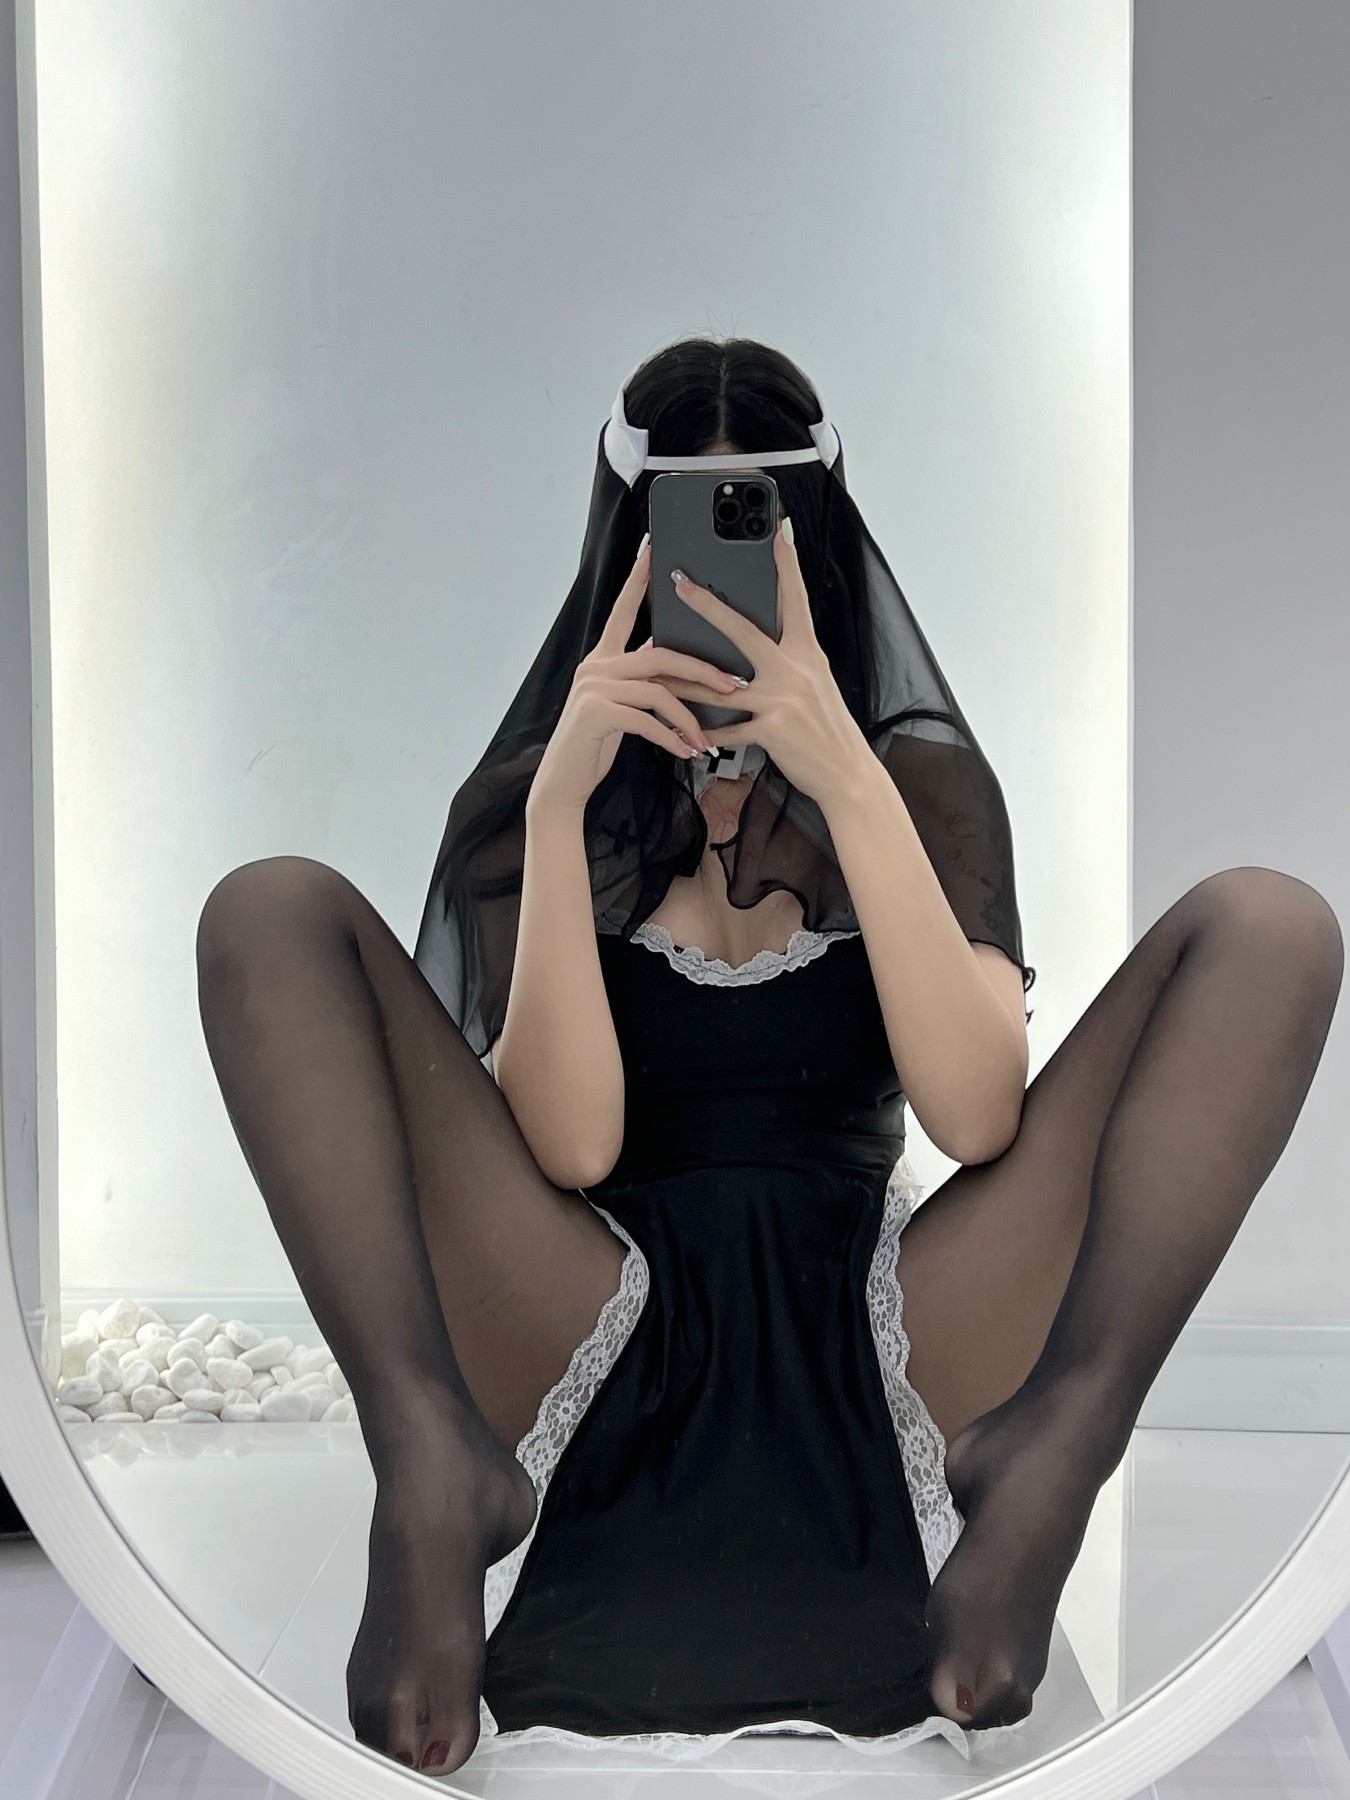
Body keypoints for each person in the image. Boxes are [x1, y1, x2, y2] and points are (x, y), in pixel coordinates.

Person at [195, 337, 1344, 1777]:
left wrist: (843, 773)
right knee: (269, 910)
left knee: (1269, 925)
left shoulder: (914, 783)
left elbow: (977, 1113)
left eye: (760, 539)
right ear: (630, 558)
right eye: (689, 545)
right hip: (588, 1295)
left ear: (821, 555)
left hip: (882, 1310)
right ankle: (426, 1450)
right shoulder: (544, 800)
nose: (723, 595)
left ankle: (1061, 1437)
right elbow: (568, 1148)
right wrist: (557, 816)